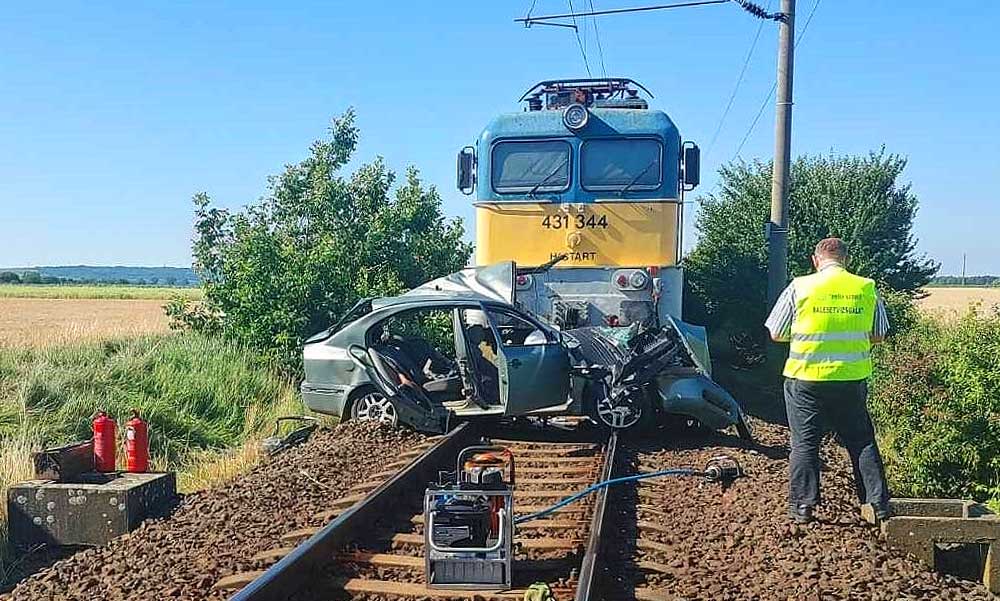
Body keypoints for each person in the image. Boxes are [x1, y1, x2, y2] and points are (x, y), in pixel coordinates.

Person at [764, 237, 891, 524]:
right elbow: (880, 333)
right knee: (861, 441)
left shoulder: (800, 286)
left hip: (805, 378)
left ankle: (802, 507)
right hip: (850, 378)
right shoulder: (865, 287)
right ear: (846, 260)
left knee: (805, 442)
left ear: (815, 259)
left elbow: (776, 332)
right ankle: (878, 504)